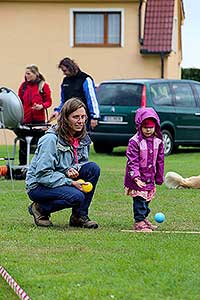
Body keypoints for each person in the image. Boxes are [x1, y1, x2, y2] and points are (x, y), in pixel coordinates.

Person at [26, 98, 100, 228]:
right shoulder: (50, 140)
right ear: (65, 118)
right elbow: (43, 175)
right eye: (76, 117)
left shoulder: (82, 137)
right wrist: (70, 181)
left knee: (93, 168)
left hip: (60, 177)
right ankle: (40, 208)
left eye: (83, 117)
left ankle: (79, 217)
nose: (81, 121)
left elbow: (81, 162)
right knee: (77, 196)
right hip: (38, 186)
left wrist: (71, 169)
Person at [124, 107, 164, 232]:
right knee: (139, 200)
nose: (148, 130)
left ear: (155, 127)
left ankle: (144, 218)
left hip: (149, 177)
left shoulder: (158, 142)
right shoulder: (134, 142)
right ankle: (139, 222)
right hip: (137, 178)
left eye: (151, 127)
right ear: (139, 126)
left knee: (147, 200)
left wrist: (159, 177)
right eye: (145, 127)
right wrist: (135, 177)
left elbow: (160, 160)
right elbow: (132, 161)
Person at [49, 57, 100, 130]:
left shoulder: (85, 79)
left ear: (71, 68)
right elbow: (64, 101)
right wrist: (57, 111)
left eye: (65, 70)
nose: (64, 73)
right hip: (68, 119)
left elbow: (92, 99)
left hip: (82, 119)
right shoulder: (65, 81)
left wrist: (94, 117)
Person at [17, 64, 52, 165]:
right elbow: (19, 102)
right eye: (25, 74)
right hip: (26, 121)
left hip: (39, 121)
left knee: (40, 145)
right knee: (23, 144)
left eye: (28, 73)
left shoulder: (43, 86)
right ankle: (22, 166)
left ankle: (40, 165)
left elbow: (48, 102)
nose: (26, 76)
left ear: (35, 74)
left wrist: (41, 106)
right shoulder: (23, 86)